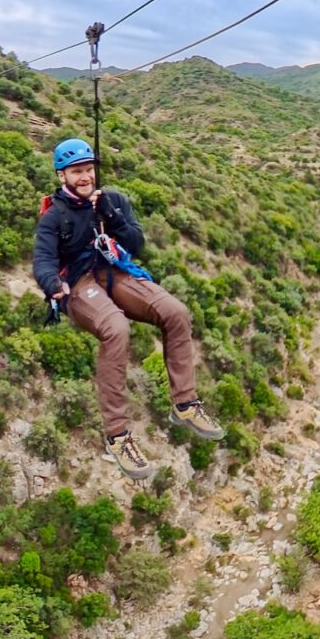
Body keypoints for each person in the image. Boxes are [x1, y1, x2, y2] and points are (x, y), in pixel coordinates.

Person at [33, 138, 223, 479]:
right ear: (62, 176)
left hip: (114, 272)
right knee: (116, 328)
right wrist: (53, 285)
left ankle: (185, 403)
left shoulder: (112, 201)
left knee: (175, 312)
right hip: (78, 283)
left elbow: (136, 243)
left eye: (88, 170)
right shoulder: (55, 215)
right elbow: (43, 259)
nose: (85, 177)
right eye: (76, 172)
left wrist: (111, 215)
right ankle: (118, 436)